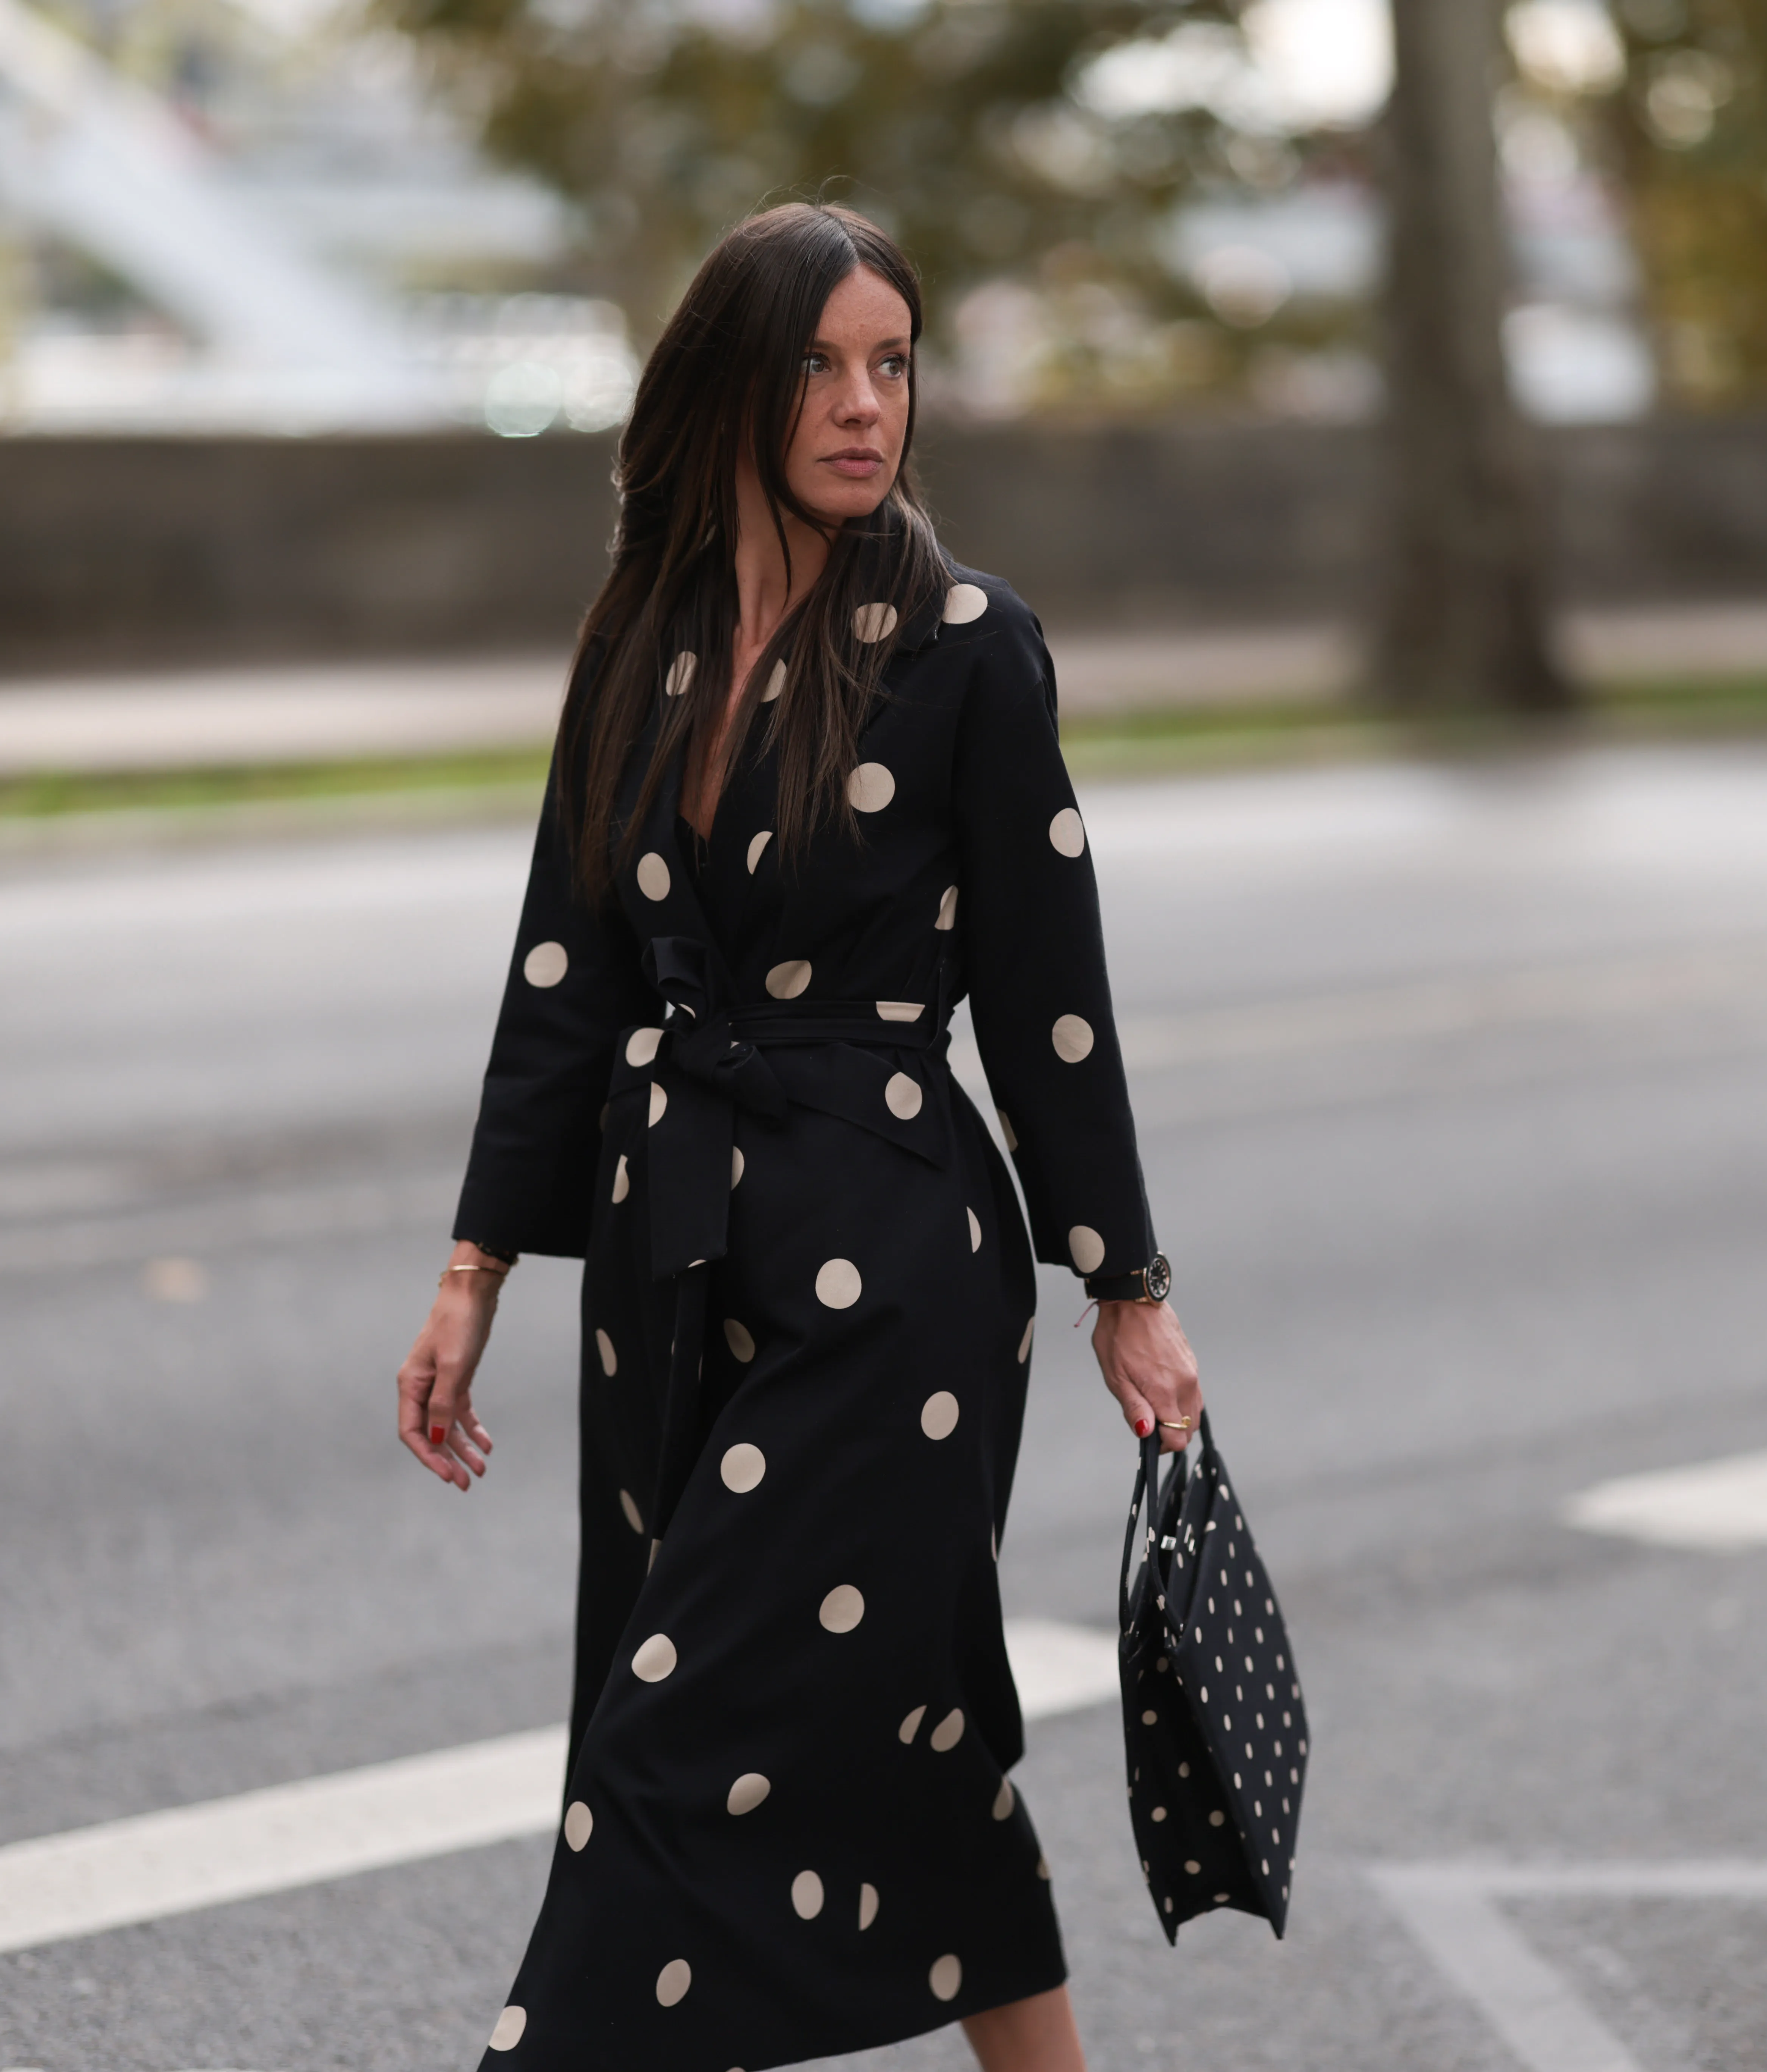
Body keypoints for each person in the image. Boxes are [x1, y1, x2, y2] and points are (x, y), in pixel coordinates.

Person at [393, 202, 1201, 2072]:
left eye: (892, 364)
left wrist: (1124, 1287)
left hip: (894, 1283)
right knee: (912, 1745)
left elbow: (1049, 1006)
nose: (864, 406)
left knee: (665, 1759)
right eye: (823, 366)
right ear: (733, 389)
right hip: (669, 1260)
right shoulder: (641, 644)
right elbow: (563, 974)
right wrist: (472, 1271)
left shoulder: (969, 650)